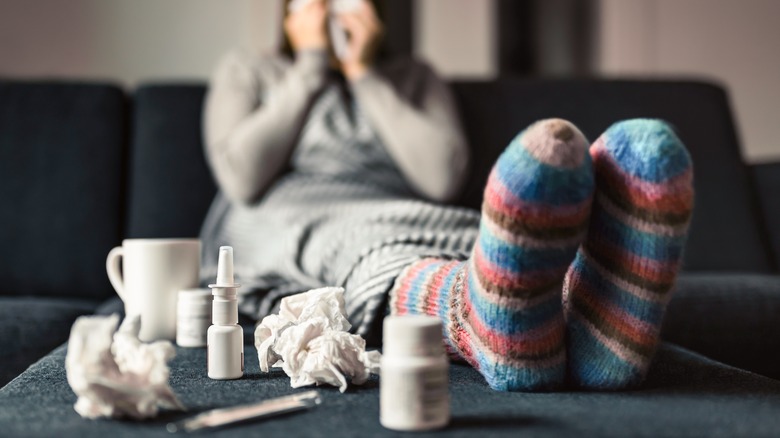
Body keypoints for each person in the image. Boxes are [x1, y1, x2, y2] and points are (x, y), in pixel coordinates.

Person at [200, 0, 694, 392]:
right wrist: (309, 68)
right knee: (364, 244)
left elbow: (440, 178)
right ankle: (478, 320)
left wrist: (365, 74)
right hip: (287, 212)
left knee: (474, 237)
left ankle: (580, 332)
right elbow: (242, 179)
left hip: (402, 207)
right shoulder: (250, 70)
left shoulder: (412, 76)